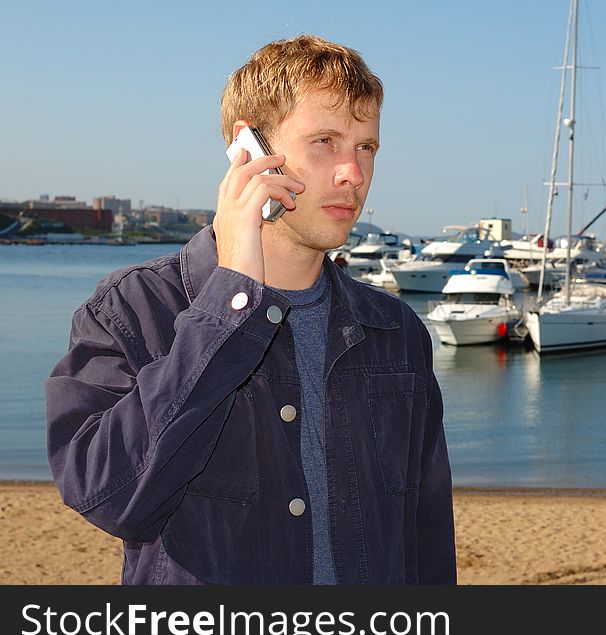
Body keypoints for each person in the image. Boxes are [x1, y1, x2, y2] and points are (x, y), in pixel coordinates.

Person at [44, 35, 456, 585]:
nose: (353, 174)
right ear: (249, 149)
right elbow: (109, 495)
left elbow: (425, 542)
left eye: (366, 148)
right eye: (325, 141)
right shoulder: (133, 310)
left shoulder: (396, 333)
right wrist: (229, 304)